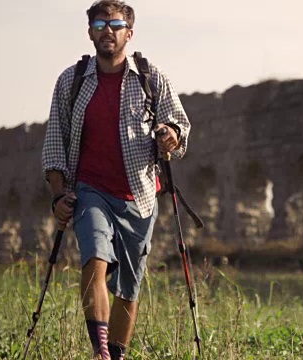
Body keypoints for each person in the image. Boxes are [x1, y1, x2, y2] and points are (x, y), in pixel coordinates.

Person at [41, 1, 191, 359]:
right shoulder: (71, 80)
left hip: (139, 196)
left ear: (129, 32)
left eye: (116, 23)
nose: (107, 29)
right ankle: (101, 352)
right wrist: (59, 196)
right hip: (89, 191)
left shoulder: (152, 78)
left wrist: (170, 135)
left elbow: (180, 127)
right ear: (90, 31)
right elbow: (53, 144)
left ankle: (117, 354)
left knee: (128, 287)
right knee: (94, 257)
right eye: (99, 23)